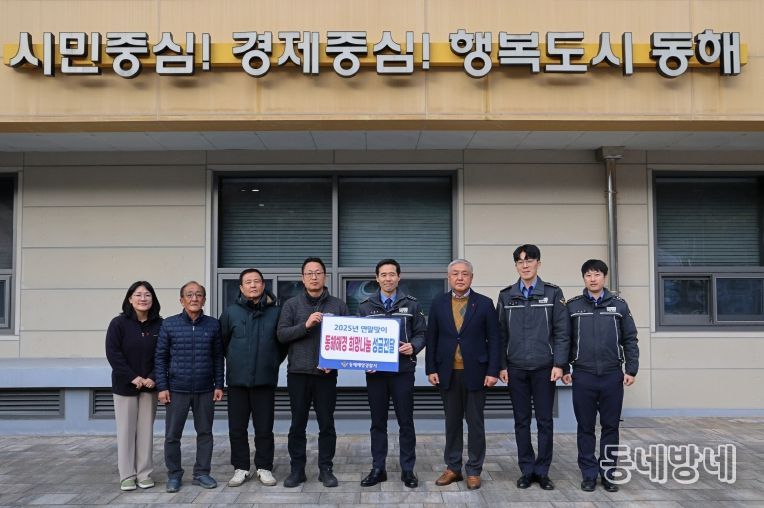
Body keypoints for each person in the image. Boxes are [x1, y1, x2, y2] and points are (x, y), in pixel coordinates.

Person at [496, 244, 570, 491]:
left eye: (529, 260)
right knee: (521, 421)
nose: (525, 265)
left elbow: (562, 332)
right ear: (516, 265)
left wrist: (560, 364)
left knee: (545, 421)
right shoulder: (506, 296)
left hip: (544, 368)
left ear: (539, 263)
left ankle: (543, 471)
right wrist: (502, 365)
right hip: (515, 368)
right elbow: (500, 334)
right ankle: (527, 470)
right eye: (520, 261)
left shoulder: (552, 293)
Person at [562, 259, 639, 493]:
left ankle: (608, 474)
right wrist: (564, 368)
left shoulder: (619, 306)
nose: (592, 279)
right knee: (585, 427)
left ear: (604, 277)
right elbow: (564, 339)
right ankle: (588, 474)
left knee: (610, 427)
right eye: (588, 275)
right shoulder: (573, 306)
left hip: (611, 375)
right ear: (583, 278)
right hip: (583, 375)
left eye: (597, 274)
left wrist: (631, 369)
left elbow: (630, 339)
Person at [425, 259, 501, 490]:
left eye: (464, 274)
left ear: (471, 277)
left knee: (475, 423)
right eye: (455, 273)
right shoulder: (438, 303)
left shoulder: (485, 304)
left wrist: (493, 371)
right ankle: (453, 468)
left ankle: (474, 470)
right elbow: (431, 338)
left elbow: (495, 339)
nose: (460, 277)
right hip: (447, 373)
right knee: (452, 423)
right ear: (449, 277)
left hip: (477, 373)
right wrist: (431, 369)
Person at [277, 257, 350, 488]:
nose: (314, 277)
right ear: (302, 278)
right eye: (309, 273)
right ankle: (297, 469)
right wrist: (306, 325)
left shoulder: (338, 305)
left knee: (326, 424)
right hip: (298, 373)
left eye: (318, 272)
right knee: (297, 424)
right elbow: (282, 335)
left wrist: (335, 363)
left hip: (326, 375)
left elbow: (347, 340)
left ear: (325, 276)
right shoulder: (291, 305)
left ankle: (325, 469)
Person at [357, 259, 426, 488]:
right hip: (376, 374)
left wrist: (413, 346)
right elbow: (359, 340)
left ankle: (408, 470)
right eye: (383, 275)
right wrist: (363, 361)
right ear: (377, 278)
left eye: (392, 274)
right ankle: (378, 468)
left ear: (399, 277)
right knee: (378, 423)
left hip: (402, 372)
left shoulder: (412, 304)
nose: (388, 278)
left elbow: (421, 333)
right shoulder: (365, 306)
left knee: (406, 422)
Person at [155, 281, 224, 493]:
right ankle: (174, 475)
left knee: (205, 433)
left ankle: (201, 473)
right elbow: (160, 358)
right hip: (177, 389)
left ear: (204, 299)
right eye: (189, 294)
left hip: (205, 389)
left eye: (199, 295)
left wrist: (219, 385)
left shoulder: (213, 325)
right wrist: (162, 387)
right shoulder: (169, 324)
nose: (194, 298)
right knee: (172, 436)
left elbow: (218, 357)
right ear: (181, 300)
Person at [220, 268, 284, 488]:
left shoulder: (276, 313)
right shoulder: (230, 313)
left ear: (264, 285)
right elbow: (223, 343)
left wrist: (271, 362)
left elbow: (282, 345)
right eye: (248, 282)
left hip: (264, 380)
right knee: (237, 428)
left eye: (257, 281)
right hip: (237, 380)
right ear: (241, 287)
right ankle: (241, 468)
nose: (253, 285)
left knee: (264, 428)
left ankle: (264, 467)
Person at [105, 281, 163, 491]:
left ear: (153, 299)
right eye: (138, 295)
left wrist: (153, 377)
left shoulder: (160, 325)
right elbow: (113, 354)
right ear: (130, 299)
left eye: (147, 295)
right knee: (126, 431)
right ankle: (127, 475)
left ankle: (144, 473)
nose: (143, 298)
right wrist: (133, 377)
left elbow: (163, 354)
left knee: (146, 431)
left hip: (150, 386)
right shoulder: (118, 324)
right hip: (125, 386)